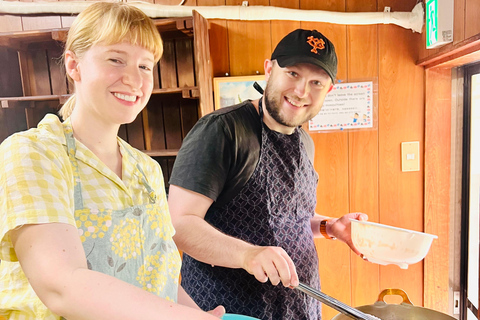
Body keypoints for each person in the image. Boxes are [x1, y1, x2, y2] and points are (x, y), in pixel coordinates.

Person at [0, 2, 225, 319]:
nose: (134, 79)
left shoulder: (146, 169)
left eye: (145, 66)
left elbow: (156, 276)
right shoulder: (34, 153)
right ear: (74, 66)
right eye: (116, 60)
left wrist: (198, 313)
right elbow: (60, 286)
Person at [168, 29, 368, 320]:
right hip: (228, 311)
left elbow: (287, 219)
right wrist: (247, 256)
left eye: (316, 82)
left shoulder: (304, 143)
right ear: (269, 69)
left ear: (328, 90)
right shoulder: (222, 130)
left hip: (301, 309)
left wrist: (330, 227)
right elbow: (178, 224)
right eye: (293, 74)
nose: (302, 91)